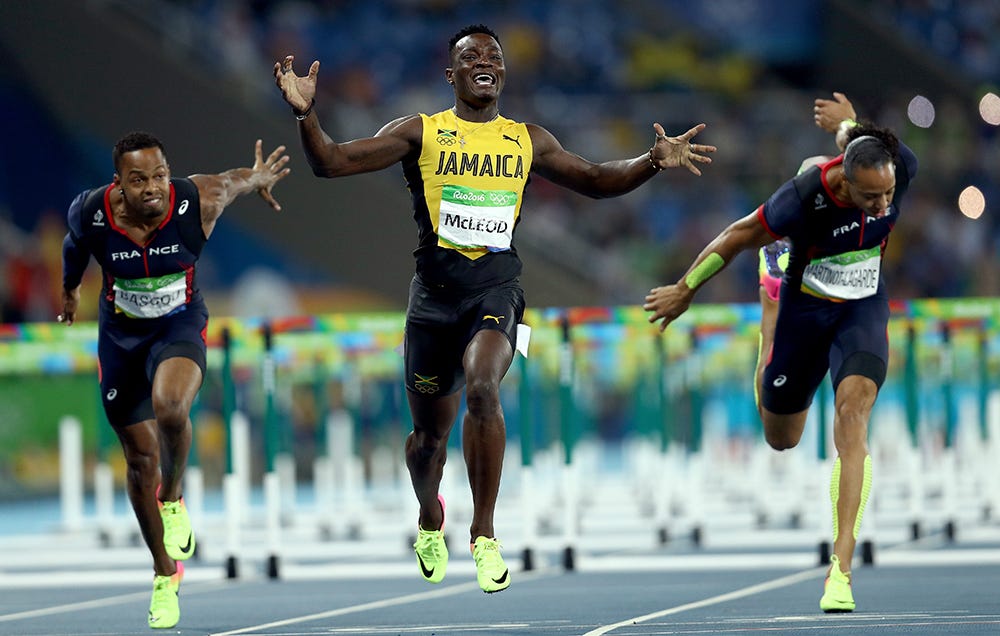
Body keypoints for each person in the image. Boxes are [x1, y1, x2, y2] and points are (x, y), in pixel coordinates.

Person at [274, 23, 715, 593]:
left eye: (493, 56)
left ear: (502, 72)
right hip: (433, 300)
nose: (484, 62)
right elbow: (331, 162)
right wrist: (306, 115)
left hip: (496, 291)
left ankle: (483, 533)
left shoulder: (526, 139)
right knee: (426, 441)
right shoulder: (421, 133)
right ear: (450, 74)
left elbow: (597, 179)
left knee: (482, 387)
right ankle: (431, 515)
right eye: (470, 56)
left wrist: (652, 160)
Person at [644, 92, 917, 613]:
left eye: (889, 195)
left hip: (862, 309)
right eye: (871, 198)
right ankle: (768, 322)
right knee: (781, 437)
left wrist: (851, 122)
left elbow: (860, 141)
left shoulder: (895, 167)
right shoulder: (804, 197)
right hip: (805, 313)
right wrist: (686, 286)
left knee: (852, 414)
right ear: (842, 183)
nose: (885, 207)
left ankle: (841, 571)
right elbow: (736, 234)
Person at [59, 132, 290, 629]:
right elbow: (74, 244)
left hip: (178, 325)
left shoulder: (194, 200)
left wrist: (259, 178)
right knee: (140, 462)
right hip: (120, 339)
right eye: (138, 179)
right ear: (118, 183)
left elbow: (232, 182)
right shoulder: (91, 212)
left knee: (170, 407)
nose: (152, 188)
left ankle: (173, 496)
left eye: (159, 175)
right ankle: (165, 572)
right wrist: (70, 289)